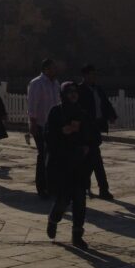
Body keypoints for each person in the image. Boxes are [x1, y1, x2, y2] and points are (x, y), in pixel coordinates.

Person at [45, 80, 95, 250]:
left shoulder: (81, 113)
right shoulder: (56, 112)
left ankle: (77, 235)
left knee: (80, 200)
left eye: (75, 91)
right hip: (61, 163)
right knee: (63, 199)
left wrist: (87, 146)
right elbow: (48, 135)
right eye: (69, 91)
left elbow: (90, 135)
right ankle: (53, 219)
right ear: (63, 94)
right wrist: (62, 131)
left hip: (79, 163)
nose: (73, 94)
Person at [78, 64, 117, 200]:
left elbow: (105, 104)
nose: (94, 77)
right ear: (85, 76)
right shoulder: (79, 90)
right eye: (91, 74)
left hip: (96, 127)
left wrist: (111, 115)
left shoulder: (98, 89)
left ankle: (84, 185)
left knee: (91, 159)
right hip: (85, 129)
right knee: (95, 159)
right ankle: (103, 189)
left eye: (95, 74)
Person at [27, 58, 61, 197]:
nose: (55, 70)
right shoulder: (37, 83)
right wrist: (33, 123)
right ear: (46, 69)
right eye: (53, 68)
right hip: (40, 124)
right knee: (43, 155)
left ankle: (52, 184)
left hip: (54, 125)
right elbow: (32, 104)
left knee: (53, 156)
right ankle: (42, 187)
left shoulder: (56, 84)